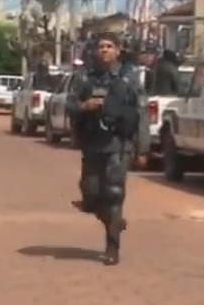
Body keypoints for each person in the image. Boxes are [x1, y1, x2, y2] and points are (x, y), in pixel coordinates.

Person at [66, 33, 142, 265]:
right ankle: (113, 220)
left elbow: (141, 113)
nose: (105, 50)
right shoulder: (84, 78)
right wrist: (84, 105)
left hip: (118, 144)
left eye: (110, 46)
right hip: (91, 143)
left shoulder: (129, 79)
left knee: (114, 194)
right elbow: (69, 103)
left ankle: (112, 246)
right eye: (101, 47)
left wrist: (143, 147)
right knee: (91, 194)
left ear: (118, 51)